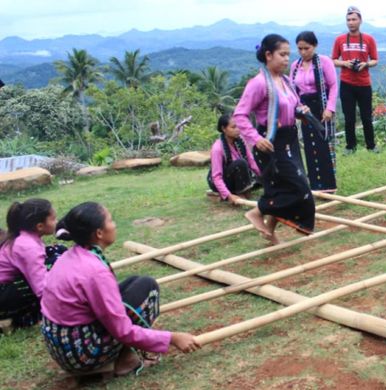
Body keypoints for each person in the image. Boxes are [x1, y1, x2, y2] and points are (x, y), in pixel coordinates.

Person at [40, 202, 200, 376]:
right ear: (99, 233)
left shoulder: (71, 256)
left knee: (137, 283)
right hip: (81, 355)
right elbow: (122, 330)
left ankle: (120, 355)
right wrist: (172, 338)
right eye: (111, 220)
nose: (114, 225)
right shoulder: (95, 272)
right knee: (149, 292)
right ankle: (125, 359)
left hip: (62, 344)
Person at [234, 34, 316, 245]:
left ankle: (269, 231)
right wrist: (254, 138)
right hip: (271, 143)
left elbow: (292, 106)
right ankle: (256, 212)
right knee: (299, 188)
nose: (287, 59)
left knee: (280, 187)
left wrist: (301, 111)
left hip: (289, 139)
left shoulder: (285, 80)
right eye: (282, 54)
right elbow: (240, 115)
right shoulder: (259, 83)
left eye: (289, 55)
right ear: (268, 55)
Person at [0, 199, 64, 328]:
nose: (56, 222)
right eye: (53, 219)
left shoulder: (24, 237)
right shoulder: (27, 247)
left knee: (59, 252)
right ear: (39, 226)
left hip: (9, 285)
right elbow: (41, 288)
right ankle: (28, 315)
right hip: (4, 294)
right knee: (57, 265)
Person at [291, 31, 339, 192]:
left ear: (315, 46)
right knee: (310, 145)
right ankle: (315, 184)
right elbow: (292, 90)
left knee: (323, 144)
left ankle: (328, 185)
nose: (303, 52)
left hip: (321, 106)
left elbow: (333, 85)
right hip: (304, 108)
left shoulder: (324, 62)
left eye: (307, 48)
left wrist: (329, 108)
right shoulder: (295, 66)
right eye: (300, 49)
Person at [331, 6, 380, 154]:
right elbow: (333, 60)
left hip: (364, 84)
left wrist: (365, 64)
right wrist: (345, 63)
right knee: (349, 118)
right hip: (346, 83)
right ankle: (350, 146)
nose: (351, 22)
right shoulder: (339, 40)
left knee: (366, 117)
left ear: (360, 21)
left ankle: (371, 146)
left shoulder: (368, 39)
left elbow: (375, 60)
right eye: (348, 20)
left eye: (354, 19)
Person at [208, 113, 262, 204]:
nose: (237, 130)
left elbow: (251, 162)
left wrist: (264, 177)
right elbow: (216, 177)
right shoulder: (217, 148)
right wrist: (228, 195)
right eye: (233, 127)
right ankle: (240, 192)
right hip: (221, 181)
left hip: (236, 176)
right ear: (224, 129)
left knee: (254, 164)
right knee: (240, 163)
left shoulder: (241, 140)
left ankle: (243, 191)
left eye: (238, 126)